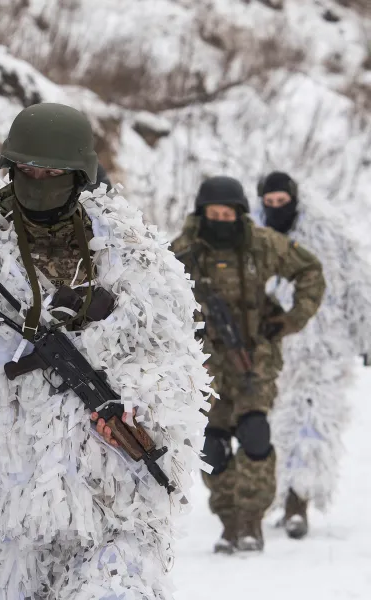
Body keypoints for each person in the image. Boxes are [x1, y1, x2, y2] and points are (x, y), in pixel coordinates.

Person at [0, 103, 211, 599]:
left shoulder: (130, 247)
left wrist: (140, 412)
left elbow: (169, 353)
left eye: (51, 172)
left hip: (106, 489)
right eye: (27, 170)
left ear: (78, 175)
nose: (38, 180)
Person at [171, 176, 325, 554]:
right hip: (205, 364)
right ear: (202, 213)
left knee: (255, 434)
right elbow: (155, 295)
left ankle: (252, 521)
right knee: (214, 445)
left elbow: (310, 272)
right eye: (214, 213)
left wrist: (291, 320)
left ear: (240, 213)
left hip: (254, 357)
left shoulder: (261, 243)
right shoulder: (183, 250)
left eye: (228, 213)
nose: (221, 219)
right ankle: (229, 523)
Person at [257, 171, 371, 539]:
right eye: (270, 203)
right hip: (271, 350)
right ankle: (275, 495)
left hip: (323, 347)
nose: (277, 209)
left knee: (312, 421)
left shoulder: (328, 238)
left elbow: (358, 286)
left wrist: (366, 337)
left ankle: (298, 501)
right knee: (276, 424)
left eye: (282, 202)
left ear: (295, 199)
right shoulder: (253, 239)